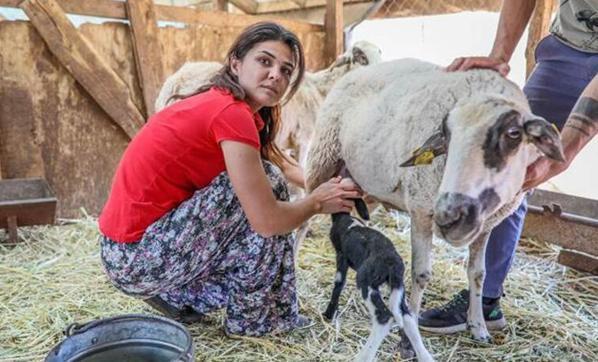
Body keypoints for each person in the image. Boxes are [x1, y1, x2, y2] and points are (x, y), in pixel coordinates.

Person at [98, 22, 361, 337]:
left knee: (265, 183)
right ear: (236, 63)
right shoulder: (230, 114)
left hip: (129, 250)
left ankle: (188, 300)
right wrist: (317, 202)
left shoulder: (229, 105)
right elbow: (267, 221)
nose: (276, 74)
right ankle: (257, 321)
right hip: (135, 258)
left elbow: (283, 163)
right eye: (265, 61)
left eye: (286, 70)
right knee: (268, 185)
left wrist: (331, 187)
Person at [419, 0, 598, 334]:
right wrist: (500, 54)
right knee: (511, 158)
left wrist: (567, 148)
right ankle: (484, 300)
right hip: (569, 46)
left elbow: (564, 150)